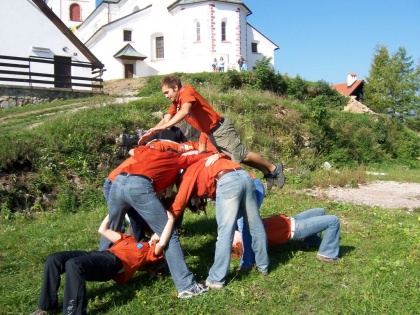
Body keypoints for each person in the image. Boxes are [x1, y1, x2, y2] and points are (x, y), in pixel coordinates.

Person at [101, 145, 212, 298]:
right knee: (168, 233)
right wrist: (216, 154)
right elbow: (197, 158)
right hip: (139, 186)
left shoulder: (147, 151)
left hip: (118, 182)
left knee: (112, 227)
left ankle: (98, 265)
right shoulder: (176, 158)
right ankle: (186, 286)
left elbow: (132, 150)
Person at [138, 74, 285, 190]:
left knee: (242, 155)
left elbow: (184, 112)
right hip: (212, 133)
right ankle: (267, 172)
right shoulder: (176, 102)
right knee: (239, 158)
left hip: (220, 128)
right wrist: (151, 132)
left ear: (175, 87)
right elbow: (167, 118)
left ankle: (274, 168)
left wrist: (164, 127)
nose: (166, 96)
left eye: (167, 92)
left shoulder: (186, 91)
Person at [30, 213, 175, 315]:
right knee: (53, 259)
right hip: (99, 254)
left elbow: (162, 241)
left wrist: (170, 219)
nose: (158, 232)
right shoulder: (130, 240)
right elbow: (103, 229)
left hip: (114, 263)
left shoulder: (150, 252)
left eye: (160, 232)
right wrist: (114, 207)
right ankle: (47, 307)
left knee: (74, 265)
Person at [169, 155, 270, 290]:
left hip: (227, 181)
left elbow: (180, 202)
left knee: (225, 233)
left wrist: (167, 220)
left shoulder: (188, 173)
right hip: (244, 176)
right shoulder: (204, 161)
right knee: (255, 225)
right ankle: (263, 266)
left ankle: (216, 279)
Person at [233, 208, 341, 270]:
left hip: (291, 220)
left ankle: (311, 242)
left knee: (320, 211)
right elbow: (255, 252)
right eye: (231, 239)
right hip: (295, 228)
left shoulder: (244, 229)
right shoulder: (252, 240)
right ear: (237, 244)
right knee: (333, 220)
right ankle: (327, 254)